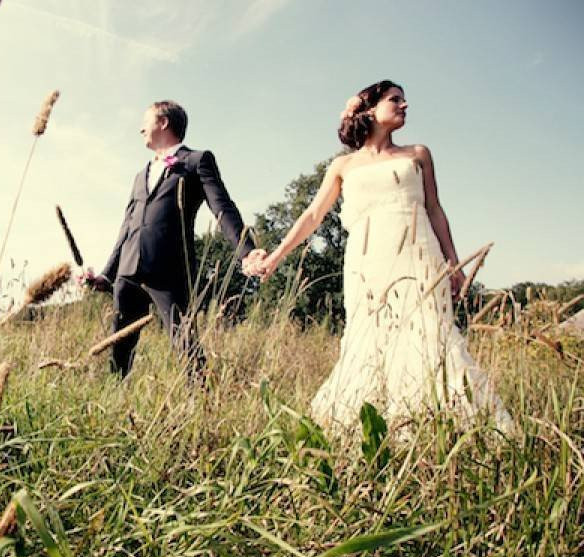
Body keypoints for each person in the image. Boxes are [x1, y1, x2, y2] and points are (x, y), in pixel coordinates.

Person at [243, 80, 512, 437]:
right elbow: (312, 216)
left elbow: (434, 209)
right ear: (369, 110)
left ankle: (440, 428)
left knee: (428, 337)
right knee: (369, 341)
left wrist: (455, 264)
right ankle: (368, 430)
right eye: (395, 99)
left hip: (418, 256)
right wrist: (275, 257)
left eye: (403, 100)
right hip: (367, 262)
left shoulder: (418, 154)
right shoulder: (343, 165)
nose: (404, 105)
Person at [84, 100, 265, 377]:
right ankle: (115, 397)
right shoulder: (138, 176)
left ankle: (202, 400)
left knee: (184, 341)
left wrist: (246, 251)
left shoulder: (196, 160)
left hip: (169, 269)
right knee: (120, 346)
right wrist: (108, 275)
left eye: (146, 121)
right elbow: (127, 226)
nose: (140, 128)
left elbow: (222, 207)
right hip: (128, 270)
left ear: (164, 122)